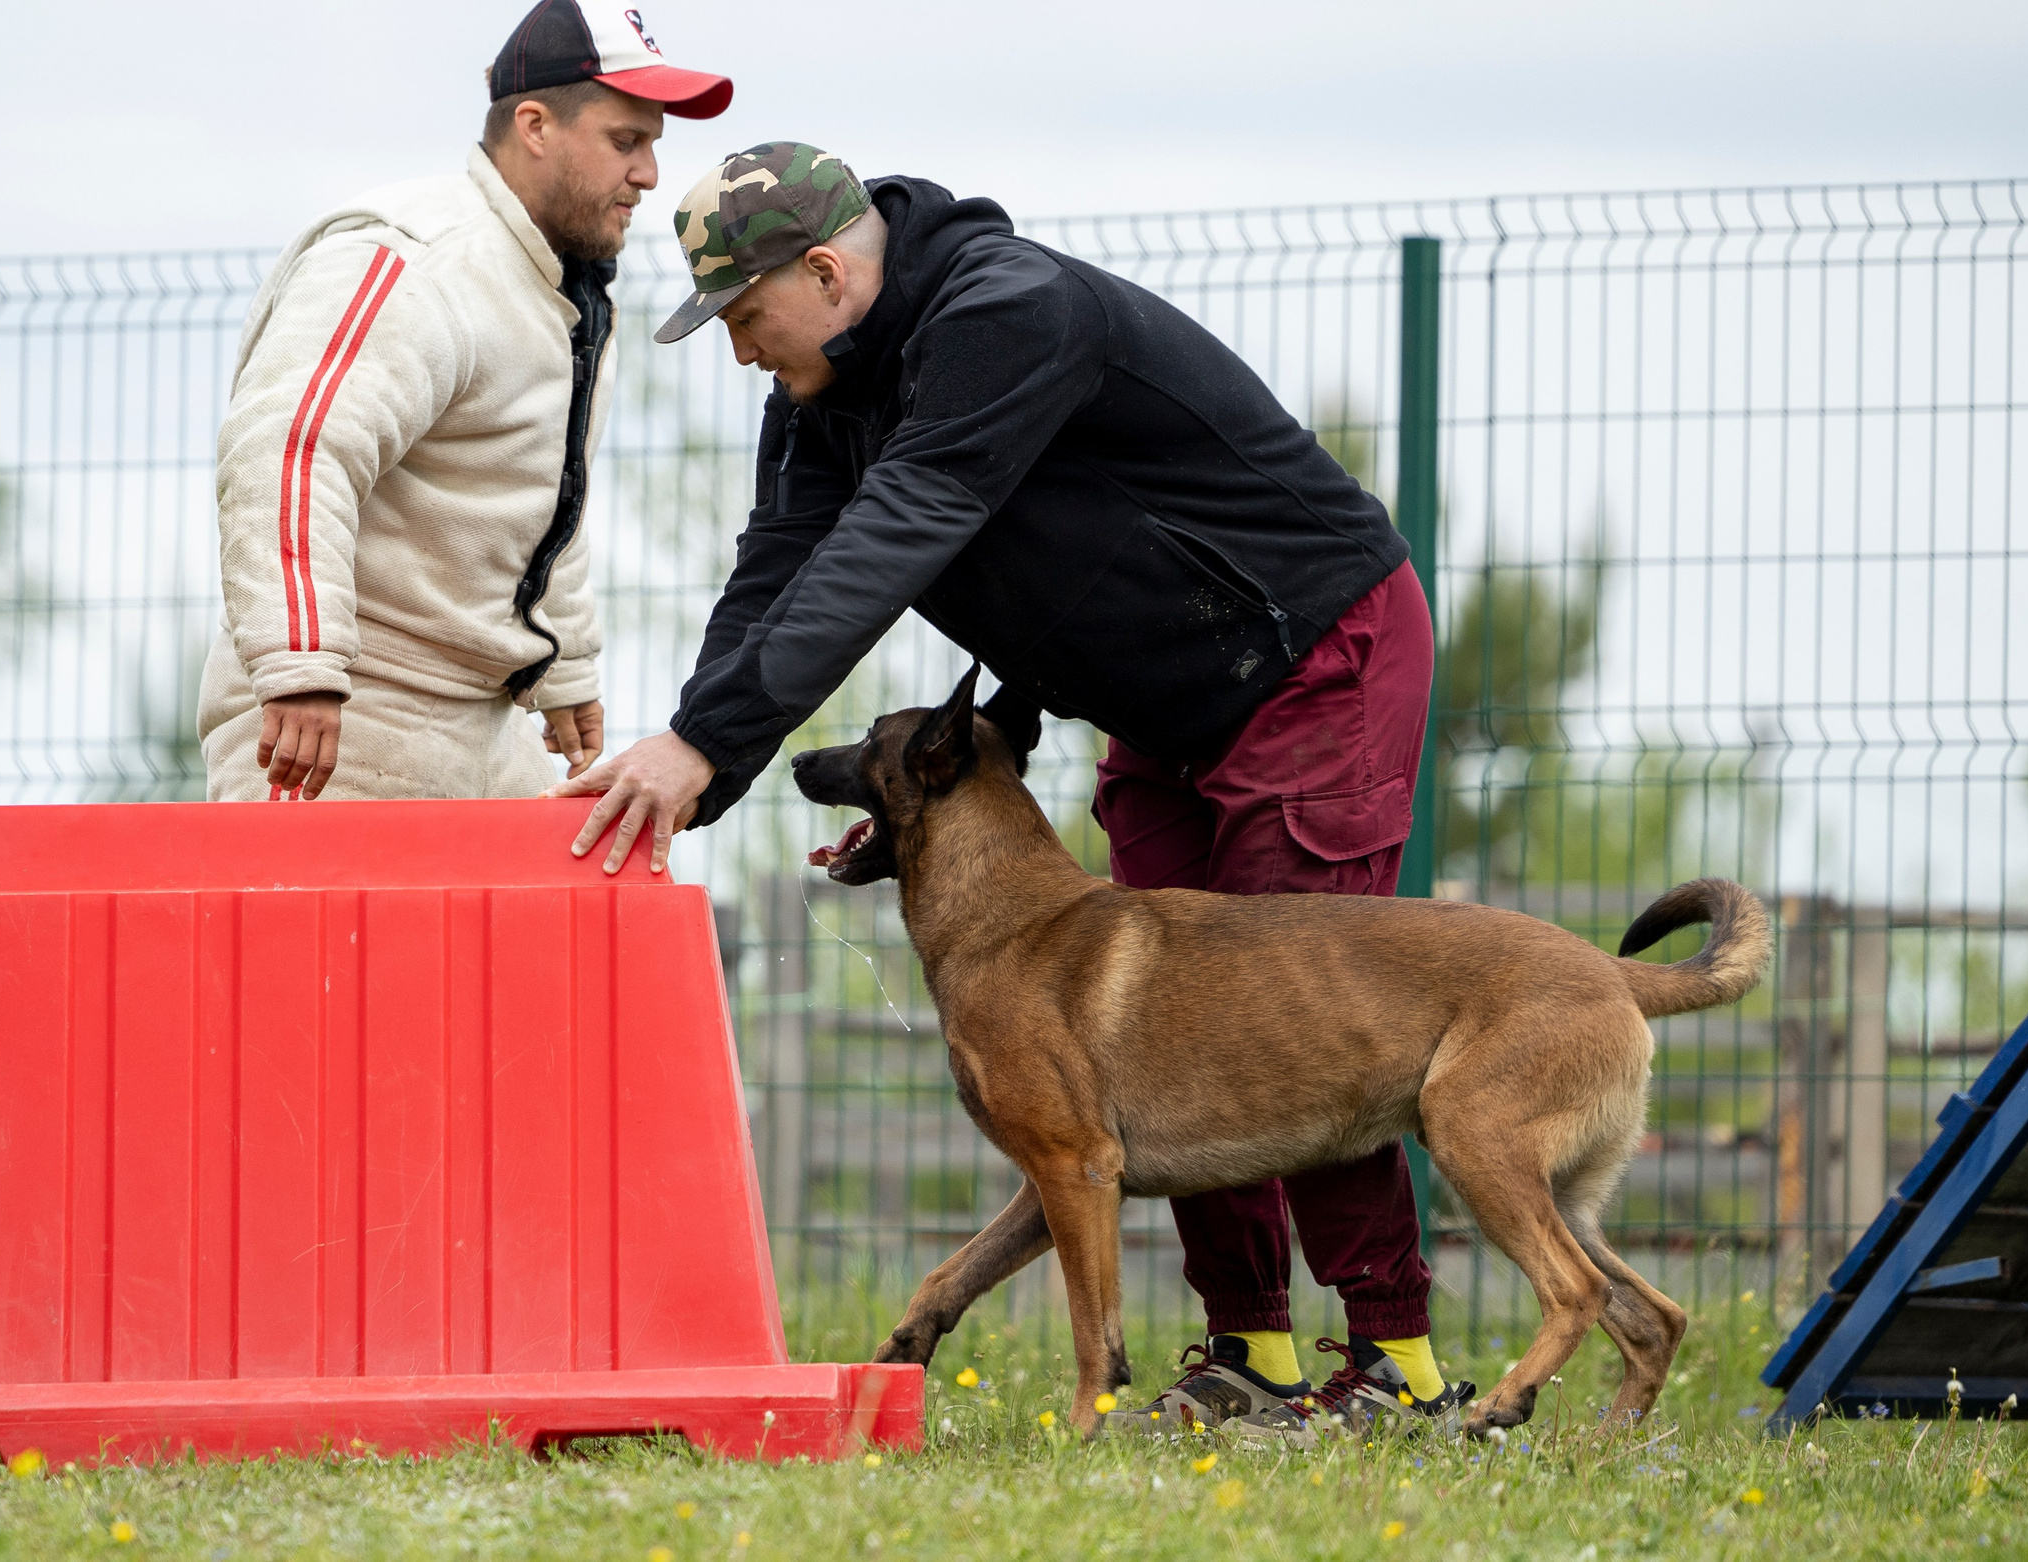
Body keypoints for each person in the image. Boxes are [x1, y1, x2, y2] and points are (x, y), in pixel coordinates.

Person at [557, 143, 1469, 1440]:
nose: (745, 353)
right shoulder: (825, 388)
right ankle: (1254, 1358)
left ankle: (1398, 1367)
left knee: (1294, 1010)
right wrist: (696, 766)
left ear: (824, 271)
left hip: (1310, 650)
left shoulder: (1006, 311)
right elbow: (777, 571)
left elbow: (906, 522)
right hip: (1163, 700)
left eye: (747, 320)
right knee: (1163, 1028)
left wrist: (708, 735)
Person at [198, 0, 730, 802]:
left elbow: (544, 498)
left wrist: (566, 664)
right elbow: (292, 451)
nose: (648, 174)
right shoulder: (417, 260)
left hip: (480, 718)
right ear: (535, 127)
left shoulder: (566, 288)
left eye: (652, 146)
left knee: (570, 910)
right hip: (338, 715)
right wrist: (300, 661)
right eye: (626, 141)